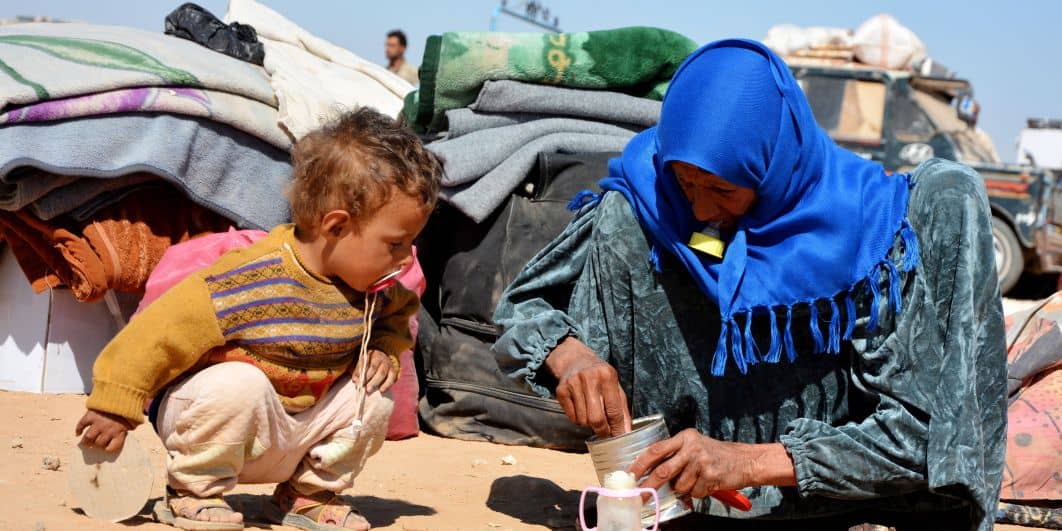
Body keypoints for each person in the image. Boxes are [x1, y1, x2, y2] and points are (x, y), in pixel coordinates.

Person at [493, 39, 1006, 530]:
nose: (700, 208)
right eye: (686, 182)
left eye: (721, 188)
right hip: (677, 510)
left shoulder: (870, 235)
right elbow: (521, 309)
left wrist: (749, 463)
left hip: (834, 509)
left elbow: (923, 436)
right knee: (624, 218)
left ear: (772, 164)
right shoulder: (648, 203)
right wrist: (569, 354)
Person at [74, 108, 442, 531]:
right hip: (215, 426)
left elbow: (396, 318)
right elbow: (158, 333)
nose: (406, 258)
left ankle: (307, 495)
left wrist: (383, 349)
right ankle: (193, 490)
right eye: (396, 244)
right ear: (336, 226)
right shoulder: (249, 278)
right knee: (240, 383)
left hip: (293, 432)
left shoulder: (375, 290)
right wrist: (114, 407)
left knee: (372, 395)